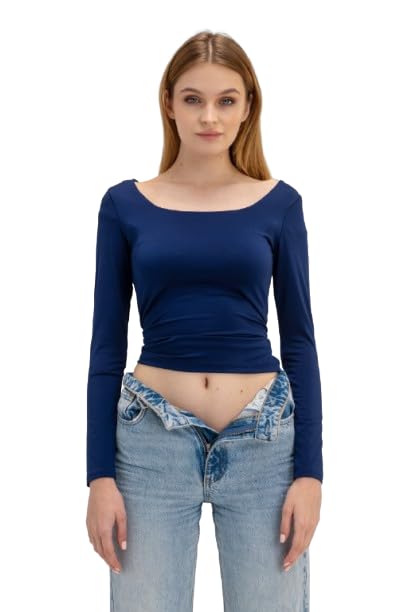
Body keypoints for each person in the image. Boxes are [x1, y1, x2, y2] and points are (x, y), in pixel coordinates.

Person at [86, 29, 323, 612]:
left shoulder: (280, 204)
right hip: (151, 445)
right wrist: (98, 476)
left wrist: (310, 475)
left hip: (263, 444)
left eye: (226, 100)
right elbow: (105, 347)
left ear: (247, 108)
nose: (209, 116)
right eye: (193, 99)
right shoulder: (124, 205)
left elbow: (300, 342)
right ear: (169, 103)